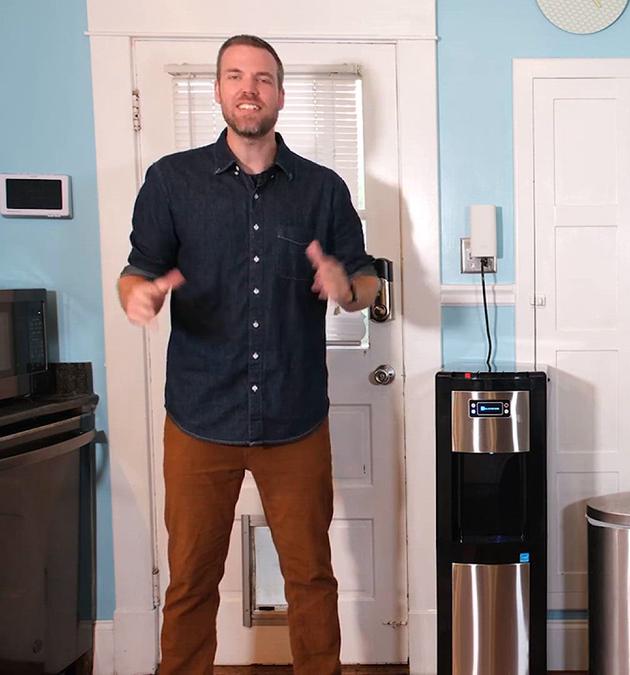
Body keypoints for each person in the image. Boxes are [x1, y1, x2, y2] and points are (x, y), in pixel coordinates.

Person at [117, 34, 380, 675]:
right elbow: (137, 272)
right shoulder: (171, 182)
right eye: (235, 76)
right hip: (199, 416)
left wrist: (348, 288)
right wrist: (140, 297)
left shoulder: (322, 189)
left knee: (311, 580)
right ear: (217, 91)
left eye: (262, 78)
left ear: (281, 95)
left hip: (295, 418)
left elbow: (367, 281)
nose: (248, 89)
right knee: (190, 583)